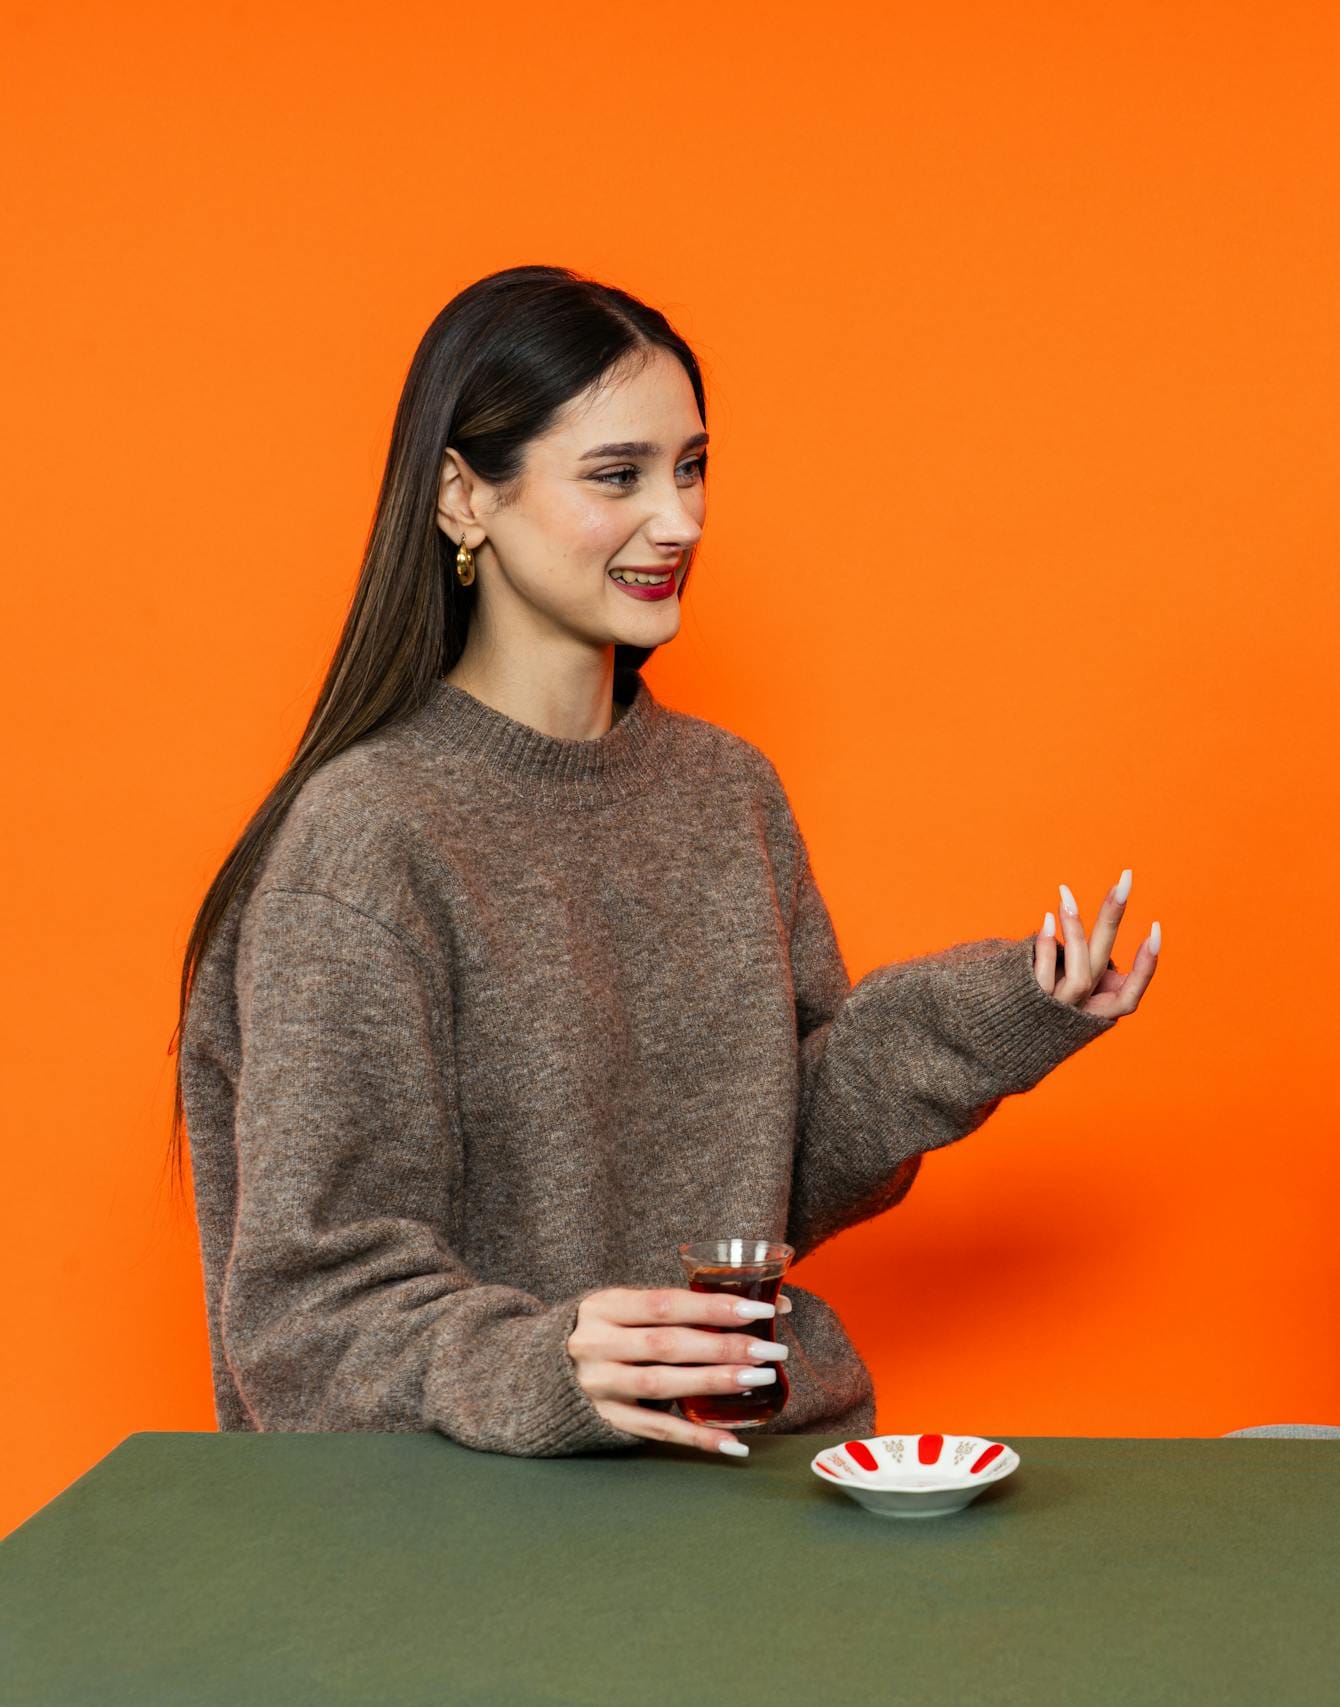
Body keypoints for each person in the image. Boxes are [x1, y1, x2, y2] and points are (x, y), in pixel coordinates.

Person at [174, 265, 1161, 1461]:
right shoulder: (366, 840)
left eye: (691, 467)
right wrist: (546, 1366)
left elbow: (769, 1164)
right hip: (492, 1530)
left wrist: (1004, 1012)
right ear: (463, 500)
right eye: (617, 475)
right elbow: (306, 1322)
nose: (681, 521)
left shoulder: (723, 791)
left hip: (752, 1466)